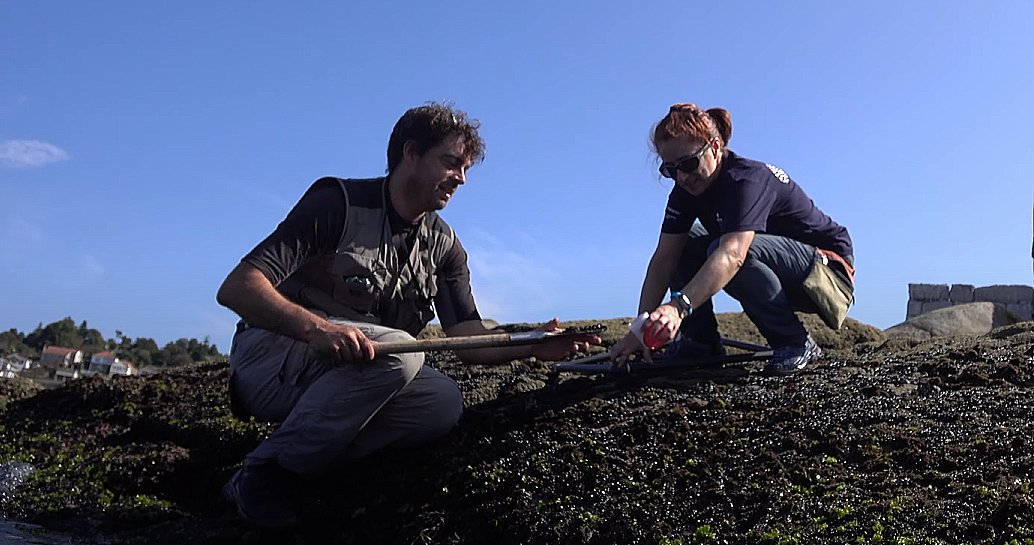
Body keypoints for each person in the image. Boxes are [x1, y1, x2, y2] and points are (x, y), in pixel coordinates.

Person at [216, 102, 600, 528]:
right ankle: (262, 473)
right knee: (400, 351)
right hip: (270, 364)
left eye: (466, 167)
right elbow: (238, 286)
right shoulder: (337, 204)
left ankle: (301, 465)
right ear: (411, 153)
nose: (461, 178)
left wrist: (533, 343)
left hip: (357, 375)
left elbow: (467, 335)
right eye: (451, 163)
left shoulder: (444, 246)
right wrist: (317, 329)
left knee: (442, 404)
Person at [610, 103, 854, 375]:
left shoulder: (747, 181)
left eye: (689, 164)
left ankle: (794, 341)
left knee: (726, 250)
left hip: (827, 273)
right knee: (687, 240)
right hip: (773, 267)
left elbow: (733, 255)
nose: (682, 177)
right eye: (670, 170)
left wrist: (677, 308)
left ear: (715, 147)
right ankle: (700, 342)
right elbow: (664, 259)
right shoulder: (685, 191)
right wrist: (640, 329)